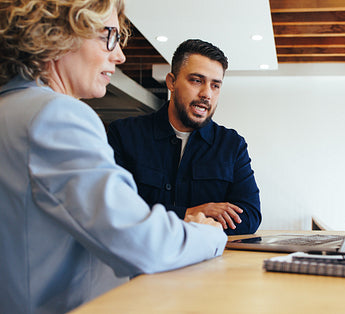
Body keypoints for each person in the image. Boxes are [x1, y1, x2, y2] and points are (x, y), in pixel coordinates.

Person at [0, 1, 227, 313]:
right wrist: (210, 234)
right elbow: (142, 242)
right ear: (59, 33)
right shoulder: (57, 115)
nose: (119, 55)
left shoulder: (11, 108)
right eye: (109, 37)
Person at [107, 39, 261, 235]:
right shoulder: (124, 134)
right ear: (171, 82)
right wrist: (187, 214)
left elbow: (250, 216)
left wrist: (165, 218)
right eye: (197, 81)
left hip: (208, 262)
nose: (207, 94)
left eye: (215, 85)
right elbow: (115, 207)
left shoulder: (232, 145)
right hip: (141, 261)